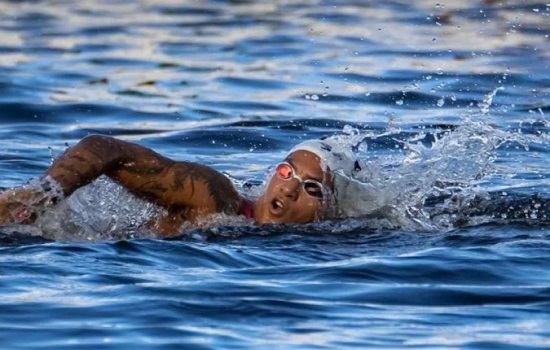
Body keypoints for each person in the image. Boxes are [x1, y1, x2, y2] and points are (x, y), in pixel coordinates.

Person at [0, 134, 361, 237]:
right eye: (286, 172)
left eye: (312, 189)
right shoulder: (214, 198)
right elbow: (105, 148)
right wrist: (40, 197)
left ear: (330, 211)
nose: (288, 190)